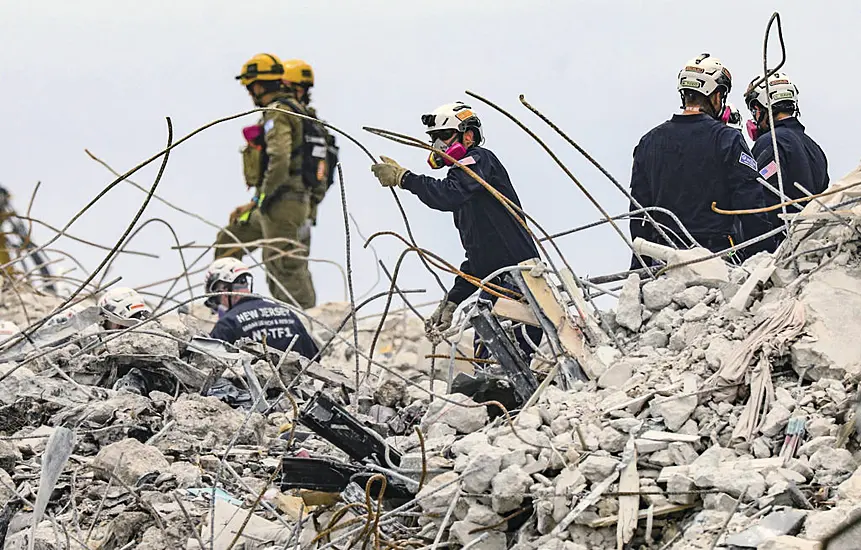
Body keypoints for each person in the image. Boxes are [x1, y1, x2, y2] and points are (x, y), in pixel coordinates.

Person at [369, 101, 542, 355]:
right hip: (494, 286)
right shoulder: (467, 201)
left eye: (444, 136)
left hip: (518, 283)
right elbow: (478, 259)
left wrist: (404, 178)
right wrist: (452, 300)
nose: (438, 145)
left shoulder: (481, 160)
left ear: (468, 136)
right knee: (486, 364)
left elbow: (447, 194)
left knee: (508, 365)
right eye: (433, 138)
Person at [629, 53, 773, 268]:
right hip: (716, 260)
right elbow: (750, 204)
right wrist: (765, 255)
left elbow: (639, 214)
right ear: (715, 95)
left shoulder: (648, 142)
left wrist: (639, 268)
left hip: (664, 261)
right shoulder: (727, 138)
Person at [214, 52, 323, 309]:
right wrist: (255, 203)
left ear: (259, 85)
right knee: (230, 239)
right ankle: (224, 306)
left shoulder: (278, 113)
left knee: (284, 265)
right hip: (276, 202)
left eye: (250, 87)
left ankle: (302, 320)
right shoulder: (299, 113)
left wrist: (261, 197)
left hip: (283, 202)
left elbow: (280, 159)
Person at [744, 71, 828, 241]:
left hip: (780, 249)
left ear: (763, 107)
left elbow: (755, 200)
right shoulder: (815, 148)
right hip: (811, 244)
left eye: (755, 109)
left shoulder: (770, 143)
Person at [281, 59, 339, 260]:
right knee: (295, 265)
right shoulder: (316, 126)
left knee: (287, 269)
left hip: (286, 207)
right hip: (307, 208)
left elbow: (279, 160)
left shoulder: (287, 117)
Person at [204, 258, 318, 359]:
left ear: (223, 290)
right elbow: (314, 359)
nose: (219, 307)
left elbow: (210, 363)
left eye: (216, 299)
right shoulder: (288, 314)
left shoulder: (227, 324)